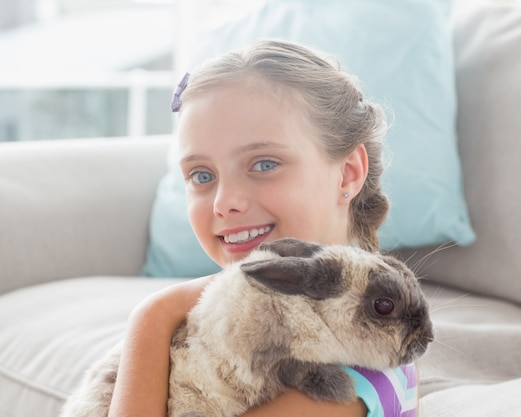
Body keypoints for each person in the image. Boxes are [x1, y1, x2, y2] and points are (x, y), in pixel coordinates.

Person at [108, 39, 418, 417]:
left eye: (264, 164)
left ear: (347, 173)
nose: (224, 202)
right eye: (202, 175)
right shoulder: (234, 325)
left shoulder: (346, 385)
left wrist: (154, 315)